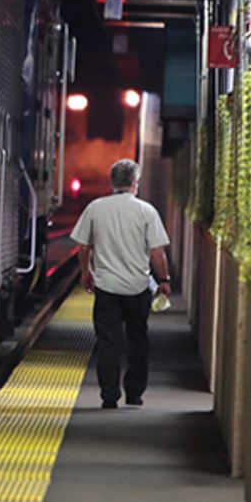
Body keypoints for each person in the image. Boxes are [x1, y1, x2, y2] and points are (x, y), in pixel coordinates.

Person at [69, 158, 171, 409]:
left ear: (112, 182)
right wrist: (164, 280)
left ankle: (109, 396)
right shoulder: (146, 211)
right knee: (138, 340)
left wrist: (86, 272)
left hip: (106, 288)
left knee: (108, 343)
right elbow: (157, 253)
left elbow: (83, 246)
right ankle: (134, 394)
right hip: (137, 288)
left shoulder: (95, 208)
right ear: (135, 183)